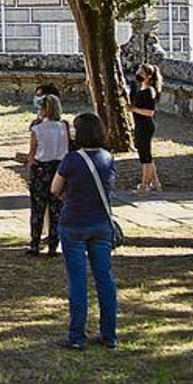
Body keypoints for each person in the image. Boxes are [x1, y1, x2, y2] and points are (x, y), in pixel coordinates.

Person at [51, 112, 119, 349]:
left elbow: (55, 189)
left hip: (73, 223)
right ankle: (109, 334)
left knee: (78, 282)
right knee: (105, 279)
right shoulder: (108, 158)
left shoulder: (71, 160)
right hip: (101, 222)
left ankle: (77, 336)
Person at [26, 93, 70, 256]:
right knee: (56, 208)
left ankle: (35, 243)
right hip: (59, 167)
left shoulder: (37, 129)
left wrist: (30, 161)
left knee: (38, 208)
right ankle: (53, 244)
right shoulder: (63, 127)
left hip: (41, 168)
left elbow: (32, 153)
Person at [129, 64, 163, 194]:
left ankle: (144, 185)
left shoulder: (149, 91)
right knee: (145, 154)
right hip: (140, 125)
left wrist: (134, 109)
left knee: (145, 157)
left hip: (145, 125)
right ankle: (156, 183)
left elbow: (150, 112)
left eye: (141, 72)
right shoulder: (142, 88)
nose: (138, 73)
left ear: (148, 76)